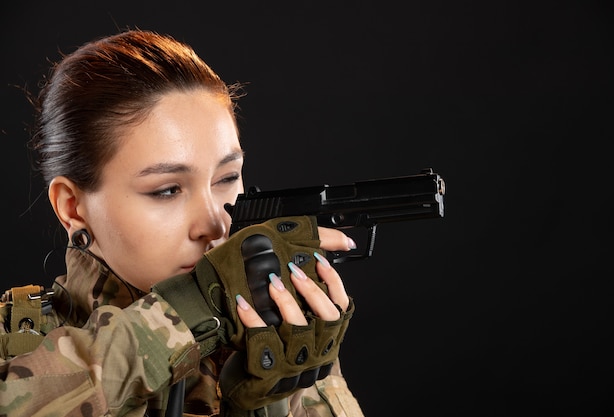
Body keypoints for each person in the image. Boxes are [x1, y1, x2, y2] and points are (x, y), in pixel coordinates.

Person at [0, 29, 364, 417]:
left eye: (227, 178)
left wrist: (274, 403)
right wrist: (182, 314)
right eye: (168, 190)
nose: (214, 225)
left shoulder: (266, 339)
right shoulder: (16, 346)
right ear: (72, 208)